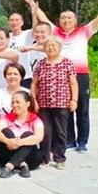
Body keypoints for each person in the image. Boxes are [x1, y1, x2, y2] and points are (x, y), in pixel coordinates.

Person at [28, 0, 98, 151]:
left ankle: (82, 141)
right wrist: (32, 4)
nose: (66, 20)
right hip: (60, 76)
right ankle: (69, 140)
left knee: (82, 108)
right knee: (65, 109)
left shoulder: (84, 31)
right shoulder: (55, 32)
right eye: (63, 17)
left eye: (69, 18)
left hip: (80, 75)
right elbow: (42, 17)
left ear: (75, 20)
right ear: (59, 20)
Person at [31, 36, 78, 169]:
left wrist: (74, 100)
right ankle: (45, 157)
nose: (51, 48)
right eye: (48, 46)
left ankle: (60, 157)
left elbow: (73, 83)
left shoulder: (67, 63)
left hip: (62, 102)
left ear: (59, 47)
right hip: (43, 103)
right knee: (45, 131)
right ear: (44, 49)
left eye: (54, 46)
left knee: (61, 131)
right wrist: (34, 99)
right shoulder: (40, 64)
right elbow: (34, 83)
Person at [0, 91, 44, 178]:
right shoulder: (7, 118)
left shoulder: (35, 119)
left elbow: (39, 137)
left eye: (18, 102)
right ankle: (22, 165)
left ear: (27, 104)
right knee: (6, 132)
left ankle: (10, 165)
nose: (14, 105)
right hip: (7, 154)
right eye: (13, 102)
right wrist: (8, 141)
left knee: (28, 134)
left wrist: (20, 142)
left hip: (30, 160)